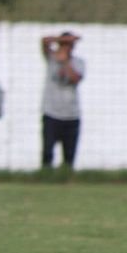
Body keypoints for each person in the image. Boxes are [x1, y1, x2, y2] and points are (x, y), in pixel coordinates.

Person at [40, 31, 84, 169]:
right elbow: (44, 41)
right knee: (47, 153)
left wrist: (65, 61)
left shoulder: (78, 62)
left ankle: (66, 179)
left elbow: (75, 78)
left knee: (69, 157)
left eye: (69, 45)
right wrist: (62, 40)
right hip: (51, 114)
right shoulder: (51, 58)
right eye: (64, 45)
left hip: (71, 115)